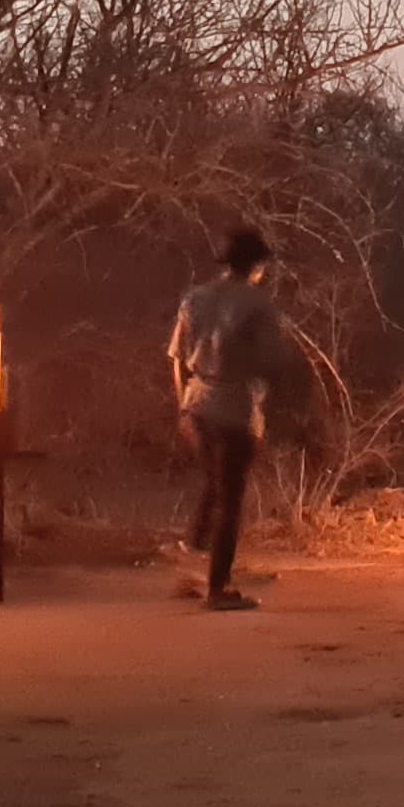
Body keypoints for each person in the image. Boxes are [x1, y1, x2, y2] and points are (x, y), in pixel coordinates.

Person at [169, 225, 286, 611]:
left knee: (213, 484)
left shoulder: (195, 298)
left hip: (197, 401)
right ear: (257, 267)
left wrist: (183, 406)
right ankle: (218, 587)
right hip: (233, 405)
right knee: (230, 499)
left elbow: (175, 357)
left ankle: (192, 558)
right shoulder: (257, 305)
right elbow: (270, 364)